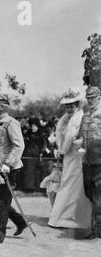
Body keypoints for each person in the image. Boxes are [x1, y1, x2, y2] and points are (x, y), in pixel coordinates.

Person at [0, 93, 28, 246]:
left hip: (8, 169)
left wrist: (8, 164)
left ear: (2, 107)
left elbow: (19, 145)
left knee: (3, 202)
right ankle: (21, 221)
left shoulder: (11, 123)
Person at [48, 88, 92, 229]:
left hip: (75, 155)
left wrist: (62, 150)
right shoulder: (65, 119)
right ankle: (65, 216)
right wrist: (60, 148)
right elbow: (61, 135)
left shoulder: (78, 117)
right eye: (67, 105)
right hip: (68, 156)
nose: (69, 107)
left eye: (71, 105)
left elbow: (71, 136)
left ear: (77, 104)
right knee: (68, 183)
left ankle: (68, 216)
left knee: (72, 184)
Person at [79, 86, 101, 239]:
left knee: (99, 195)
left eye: (93, 97)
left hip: (100, 161)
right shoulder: (85, 116)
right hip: (86, 161)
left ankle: (96, 229)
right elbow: (81, 135)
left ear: (99, 97)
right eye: (88, 98)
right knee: (89, 193)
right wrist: (79, 144)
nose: (90, 100)